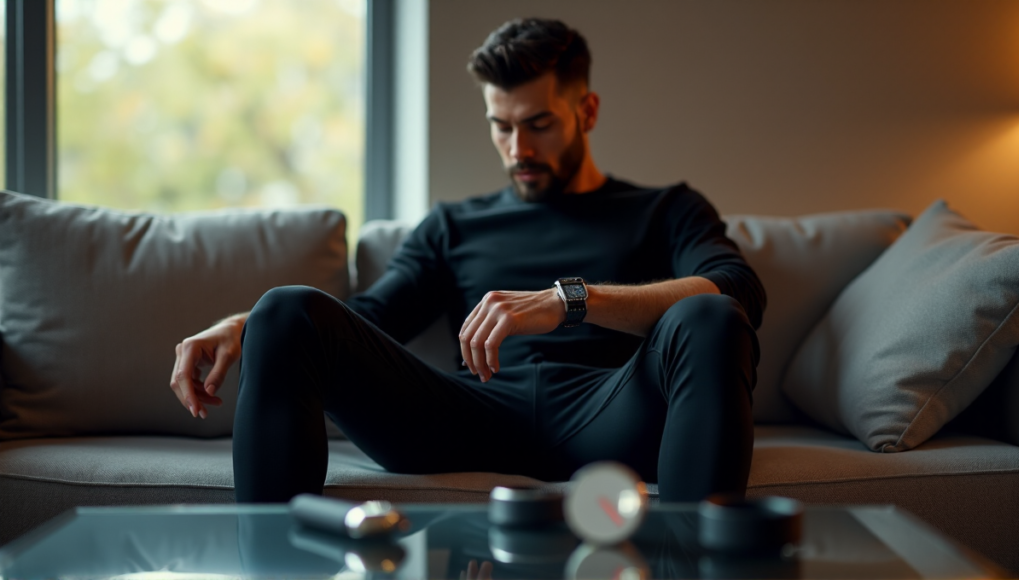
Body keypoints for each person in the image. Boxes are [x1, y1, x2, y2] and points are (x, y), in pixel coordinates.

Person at [169, 17, 765, 504]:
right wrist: (248, 327)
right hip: (469, 413)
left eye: (539, 125)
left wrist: (569, 301)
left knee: (712, 316)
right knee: (283, 309)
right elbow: (373, 316)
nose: (518, 150)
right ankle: (274, 566)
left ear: (586, 112)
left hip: (613, 411)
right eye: (501, 127)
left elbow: (736, 289)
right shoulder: (454, 224)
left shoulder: (665, 209)